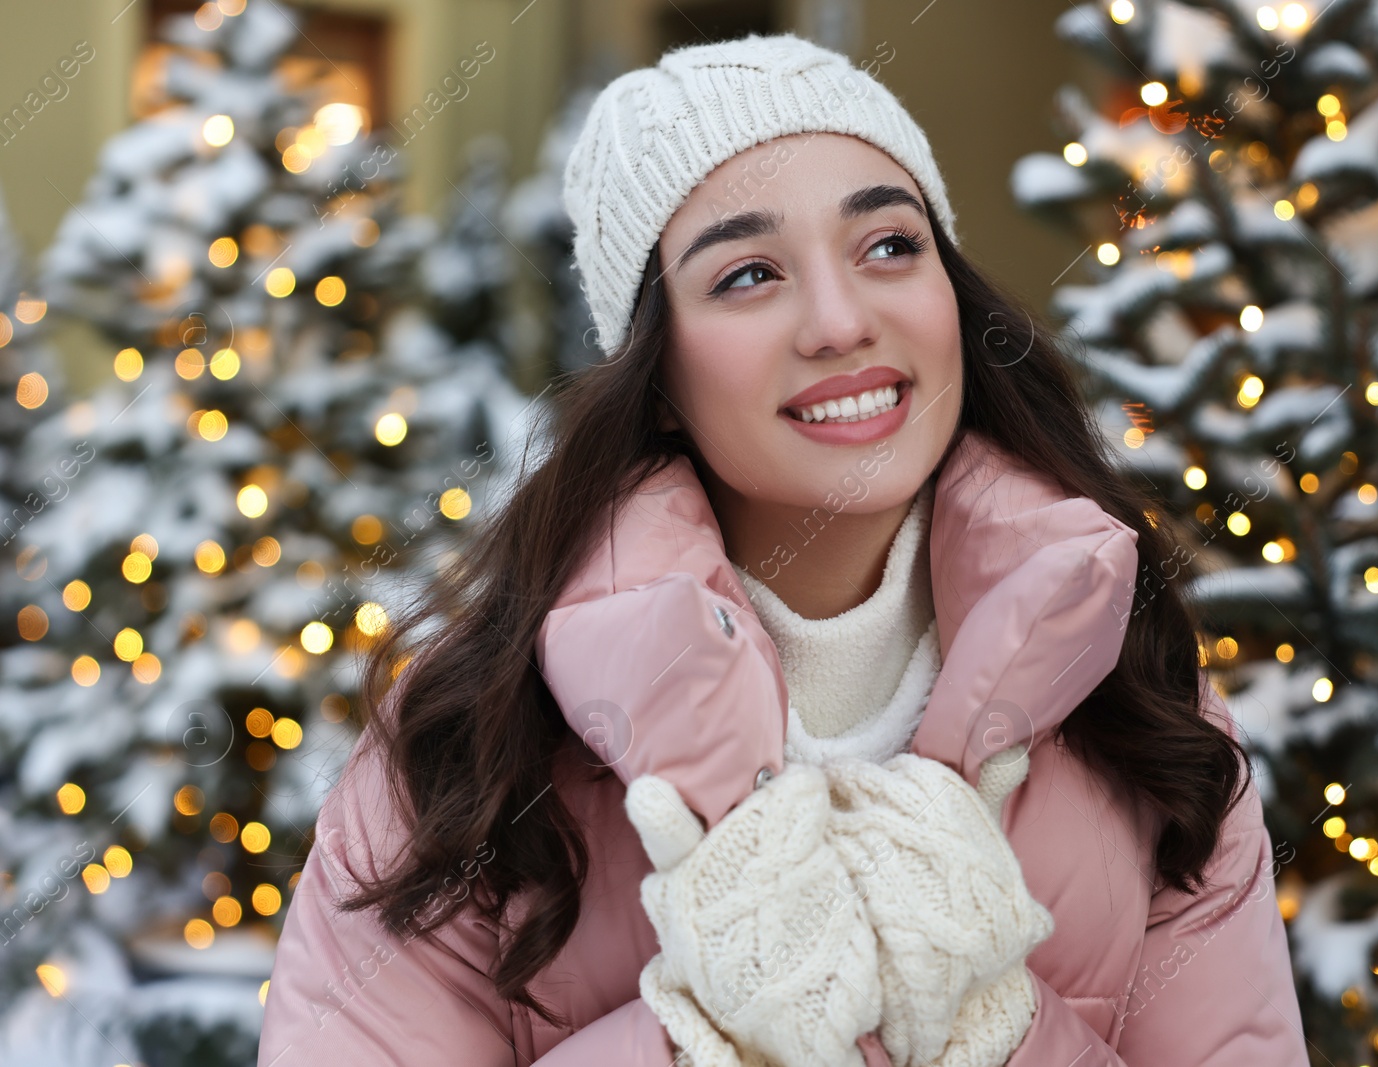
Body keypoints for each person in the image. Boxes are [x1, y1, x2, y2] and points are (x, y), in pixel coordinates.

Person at [257, 31, 1310, 1067]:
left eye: (890, 245)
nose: (842, 320)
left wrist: (997, 1026)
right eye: (749, 274)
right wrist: (697, 1039)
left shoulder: (1144, 714)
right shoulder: (464, 746)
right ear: (656, 377)